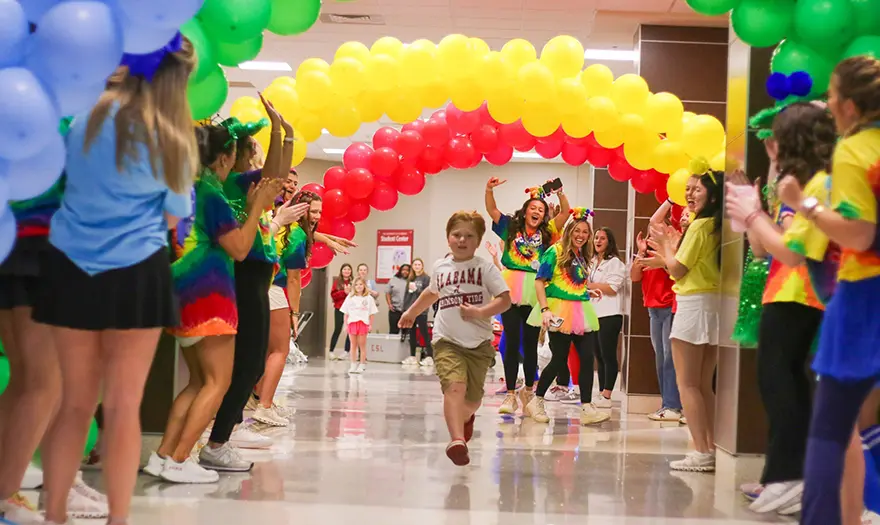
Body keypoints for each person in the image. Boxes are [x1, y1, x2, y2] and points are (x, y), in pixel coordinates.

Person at [31, 34, 197, 525]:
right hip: (136, 272)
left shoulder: (85, 121)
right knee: (124, 407)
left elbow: (61, 186)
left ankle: (55, 513)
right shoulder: (172, 139)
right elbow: (172, 221)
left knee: (73, 403)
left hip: (70, 268)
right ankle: (118, 519)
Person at [146, 122, 293, 482]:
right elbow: (240, 249)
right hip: (208, 296)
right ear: (225, 156)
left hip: (182, 293)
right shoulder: (210, 192)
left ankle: (164, 455)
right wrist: (258, 206)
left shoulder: (184, 187)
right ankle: (181, 460)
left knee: (197, 381)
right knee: (217, 382)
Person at [768, 56, 880, 525]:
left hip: (862, 298)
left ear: (850, 106)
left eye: (833, 94)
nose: (828, 102)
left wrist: (802, 204)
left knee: (831, 427)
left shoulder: (853, 153)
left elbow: (858, 233)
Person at [726, 102, 838, 514]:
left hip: (800, 293)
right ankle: (783, 474)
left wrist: (754, 213)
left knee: (782, 383)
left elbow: (792, 252)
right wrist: (757, 211)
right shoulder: (805, 184)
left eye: (777, 137)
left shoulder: (819, 185)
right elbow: (765, 247)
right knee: (778, 384)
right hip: (784, 292)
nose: (770, 144)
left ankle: (794, 476)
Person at [399, 211, 511, 466]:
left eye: (469, 236)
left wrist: (481, 312)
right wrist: (411, 312)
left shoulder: (485, 268)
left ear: (479, 240)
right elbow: (431, 293)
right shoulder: (441, 266)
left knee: (472, 399)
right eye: (456, 235)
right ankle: (456, 441)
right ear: (448, 238)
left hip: (479, 343)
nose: (462, 240)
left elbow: (505, 300)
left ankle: (466, 417)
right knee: (454, 387)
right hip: (446, 340)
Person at [642, 169, 724, 472]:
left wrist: (664, 244)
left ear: (713, 195)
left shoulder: (701, 226)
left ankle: (702, 451)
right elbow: (684, 264)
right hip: (713, 304)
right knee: (704, 385)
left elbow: (677, 270)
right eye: (687, 189)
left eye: (696, 190)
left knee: (688, 384)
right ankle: (710, 447)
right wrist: (669, 250)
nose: (689, 194)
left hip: (692, 306)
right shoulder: (716, 225)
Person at [485, 177, 570, 416]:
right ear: (525, 212)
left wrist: (560, 192)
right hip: (511, 288)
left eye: (541, 210)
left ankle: (529, 392)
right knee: (511, 341)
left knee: (532, 344)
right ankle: (511, 394)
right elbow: (492, 210)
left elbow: (564, 213)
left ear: (544, 216)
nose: (537, 211)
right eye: (533, 208)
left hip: (535, 290)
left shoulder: (548, 233)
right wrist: (489, 189)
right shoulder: (511, 227)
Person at [522, 208, 608, 426]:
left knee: (587, 358)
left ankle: (587, 407)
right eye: (577, 230)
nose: (581, 235)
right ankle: (537, 399)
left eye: (585, 232)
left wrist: (586, 291)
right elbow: (540, 281)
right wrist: (544, 310)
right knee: (559, 358)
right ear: (569, 230)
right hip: (559, 311)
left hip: (581, 309)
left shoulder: (581, 255)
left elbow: (569, 282)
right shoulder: (555, 251)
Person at [254, 190, 321, 427]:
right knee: (280, 351)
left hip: (253, 288)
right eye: (313, 210)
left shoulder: (274, 224)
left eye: (319, 211)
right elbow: (293, 279)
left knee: (263, 351)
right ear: (301, 210)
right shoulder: (296, 234)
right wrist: (294, 313)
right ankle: (265, 406)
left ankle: (259, 400)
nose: (316, 216)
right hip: (274, 291)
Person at [632, 227, 680, 422]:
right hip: (653, 310)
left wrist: (663, 257)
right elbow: (635, 276)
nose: (652, 238)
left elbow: (675, 273)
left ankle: (673, 406)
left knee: (670, 358)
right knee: (661, 358)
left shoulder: (670, 255)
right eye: (650, 235)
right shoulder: (647, 255)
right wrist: (641, 252)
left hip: (669, 307)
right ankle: (666, 404)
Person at [588, 227, 626, 409]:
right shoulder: (593, 261)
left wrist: (591, 285)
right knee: (598, 355)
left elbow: (612, 288)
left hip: (610, 315)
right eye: (596, 237)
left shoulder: (615, 263)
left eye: (602, 238)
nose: (598, 241)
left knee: (608, 354)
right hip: (595, 314)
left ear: (609, 242)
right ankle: (602, 391)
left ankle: (607, 393)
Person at [341, 277, 378, 374]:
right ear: (353, 286)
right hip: (352, 323)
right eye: (356, 285)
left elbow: (372, 313)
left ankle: (362, 364)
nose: (359, 286)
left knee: (362, 346)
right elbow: (346, 313)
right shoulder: (350, 297)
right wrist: (345, 325)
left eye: (361, 284)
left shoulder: (369, 298)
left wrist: (370, 325)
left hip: (363, 323)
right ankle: (353, 365)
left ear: (364, 286)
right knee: (353, 345)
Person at [404, 258, 433, 367]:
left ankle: (429, 356)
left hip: (422, 310)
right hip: (411, 309)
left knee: (424, 332)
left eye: (419, 264)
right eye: (415, 264)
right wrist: (405, 309)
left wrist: (417, 289)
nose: (417, 266)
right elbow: (407, 295)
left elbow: (427, 294)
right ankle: (412, 356)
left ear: (422, 266)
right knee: (411, 333)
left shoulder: (426, 278)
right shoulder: (410, 278)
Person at [329, 264, 354, 360]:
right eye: (345, 269)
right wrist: (344, 292)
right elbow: (333, 295)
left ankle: (346, 351)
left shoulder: (354, 282)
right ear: (341, 271)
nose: (347, 271)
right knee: (337, 329)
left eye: (349, 269)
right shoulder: (337, 282)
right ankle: (331, 351)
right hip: (339, 308)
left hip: (351, 309)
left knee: (349, 330)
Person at [387, 264, 411, 338]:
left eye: (407, 270)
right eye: (403, 270)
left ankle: (405, 349)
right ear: (400, 271)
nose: (405, 272)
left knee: (406, 333)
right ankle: (392, 349)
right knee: (393, 332)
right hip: (395, 310)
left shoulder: (412, 280)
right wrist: (389, 304)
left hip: (407, 311)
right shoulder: (394, 280)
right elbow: (388, 292)